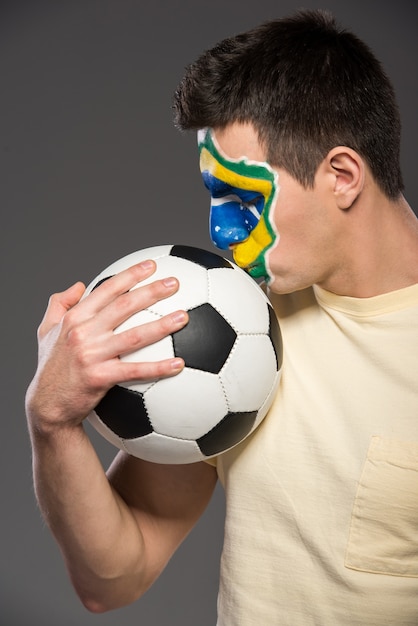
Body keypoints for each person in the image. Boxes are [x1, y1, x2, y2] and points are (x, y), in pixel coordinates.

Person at [25, 9, 418, 625]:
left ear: (342, 176)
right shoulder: (230, 324)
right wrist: (51, 422)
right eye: (213, 198)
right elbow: (113, 577)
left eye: (243, 199)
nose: (219, 231)